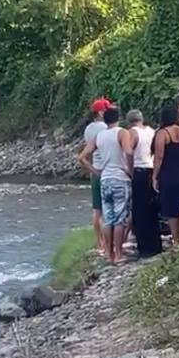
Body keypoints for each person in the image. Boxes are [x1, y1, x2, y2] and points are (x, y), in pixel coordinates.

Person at [81, 107, 134, 265]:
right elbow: (129, 152)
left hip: (105, 179)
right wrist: (130, 170)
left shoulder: (99, 136)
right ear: (118, 119)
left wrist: (96, 172)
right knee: (119, 219)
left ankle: (109, 254)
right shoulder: (122, 133)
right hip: (120, 178)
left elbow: (82, 157)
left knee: (108, 218)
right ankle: (118, 254)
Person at [152, 106, 179, 248]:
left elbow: (159, 157)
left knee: (171, 210)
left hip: (169, 174)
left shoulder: (162, 133)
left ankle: (176, 240)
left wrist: (154, 176)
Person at [78, 97, 113, 255]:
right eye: (107, 109)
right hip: (106, 170)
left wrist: (93, 170)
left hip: (95, 171)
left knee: (96, 209)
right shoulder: (106, 128)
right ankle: (109, 243)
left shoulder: (88, 129)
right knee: (108, 209)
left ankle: (99, 243)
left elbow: (89, 151)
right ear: (101, 112)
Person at [126, 110, 162, 258]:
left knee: (139, 210)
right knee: (152, 209)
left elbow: (129, 152)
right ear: (142, 118)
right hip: (152, 170)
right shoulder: (151, 131)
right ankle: (156, 245)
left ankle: (145, 248)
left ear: (129, 121)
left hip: (139, 171)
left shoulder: (132, 133)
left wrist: (130, 170)